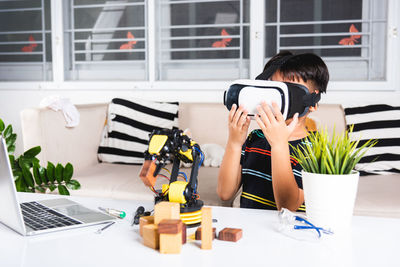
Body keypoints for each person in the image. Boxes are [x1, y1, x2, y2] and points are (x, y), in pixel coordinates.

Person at [217, 51, 329, 211]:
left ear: (312, 103)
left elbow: (288, 207)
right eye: (273, 90)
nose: (276, 100)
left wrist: (279, 145)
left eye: (287, 92)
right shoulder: (255, 138)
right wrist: (234, 143)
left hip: (289, 233)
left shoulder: (316, 150)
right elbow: (225, 193)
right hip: (250, 230)